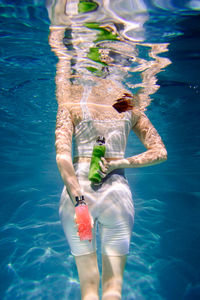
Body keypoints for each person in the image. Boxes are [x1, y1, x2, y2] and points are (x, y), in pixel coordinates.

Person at [48, 2, 168, 299]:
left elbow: (62, 156)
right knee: (113, 289)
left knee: (88, 287)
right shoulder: (125, 103)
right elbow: (160, 151)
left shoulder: (73, 100)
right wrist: (118, 161)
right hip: (117, 194)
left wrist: (80, 203)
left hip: (77, 199)